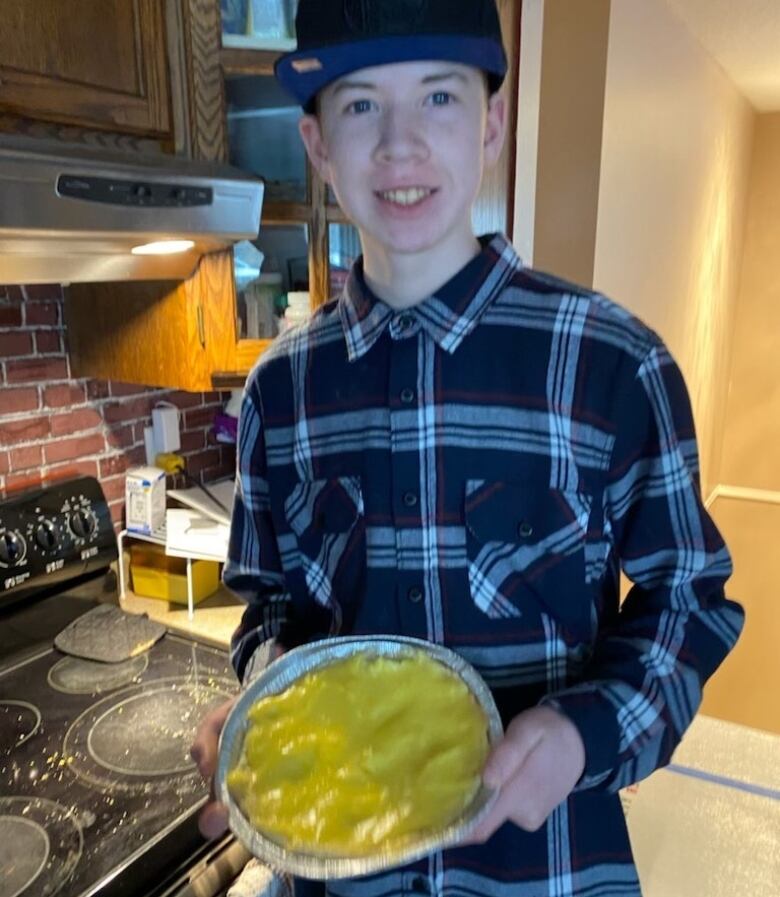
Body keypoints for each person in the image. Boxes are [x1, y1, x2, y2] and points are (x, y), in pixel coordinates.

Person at [191, 1, 744, 894]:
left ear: (491, 125)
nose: (400, 145)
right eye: (361, 105)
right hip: (341, 867)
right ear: (317, 144)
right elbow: (273, 613)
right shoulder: (279, 393)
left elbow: (692, 598)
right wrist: (262, 712)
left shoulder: (610, 363)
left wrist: (582, 732)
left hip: (548, 869)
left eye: (439, 99)